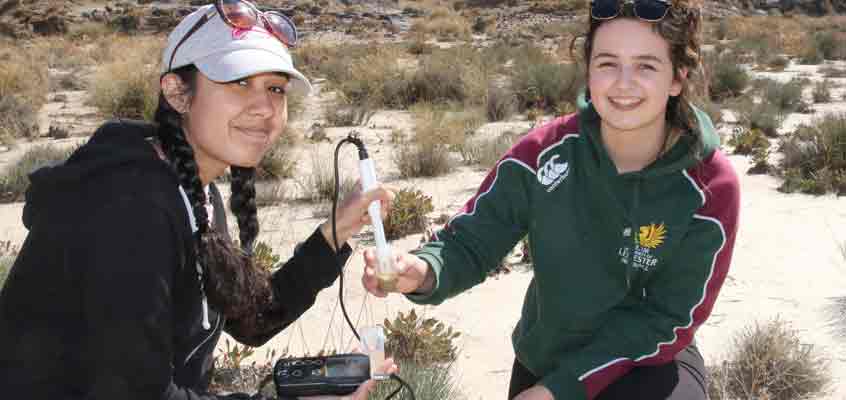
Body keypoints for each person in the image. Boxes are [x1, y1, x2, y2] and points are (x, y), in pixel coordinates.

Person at [0, 2, 395, 399]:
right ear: (177, 93)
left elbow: (253, 317)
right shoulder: (130, 209)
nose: (264, 107)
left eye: (275, 88)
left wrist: (337, 230)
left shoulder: (195, 193)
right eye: (239, 82)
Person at [362, 0, 739, 398]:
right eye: (607, 63)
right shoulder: (543, 154)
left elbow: (668, 320)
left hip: (645, 358)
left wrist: (561, 390)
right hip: (547, 356)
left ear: (677, 78)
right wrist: (423, 270)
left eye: (646, 65)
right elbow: (473, 241)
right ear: (589, 70)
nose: (623, 83)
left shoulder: (710, 185)